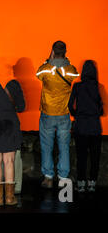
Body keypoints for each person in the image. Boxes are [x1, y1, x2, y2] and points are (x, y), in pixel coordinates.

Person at [36, 41, 79, 188]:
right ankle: (63, 178)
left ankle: (48, 177)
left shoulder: (46, 70)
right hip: (64, 114)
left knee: (46, 145)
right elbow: (75, 74)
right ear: (65, 51)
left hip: (47, 113)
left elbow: (38, 73)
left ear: (53, 51)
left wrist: (49, 59)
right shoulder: (71, 70)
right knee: (64, 146)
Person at [68, 60, 104, 193]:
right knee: (95, 157)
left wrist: (76, 114)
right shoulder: (99, 87)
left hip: (81, 126)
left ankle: (81, 183)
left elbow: (70, 105)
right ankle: (92, 183)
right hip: (95, 127)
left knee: (81, 156)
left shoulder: (77, 87)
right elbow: (102, 110)